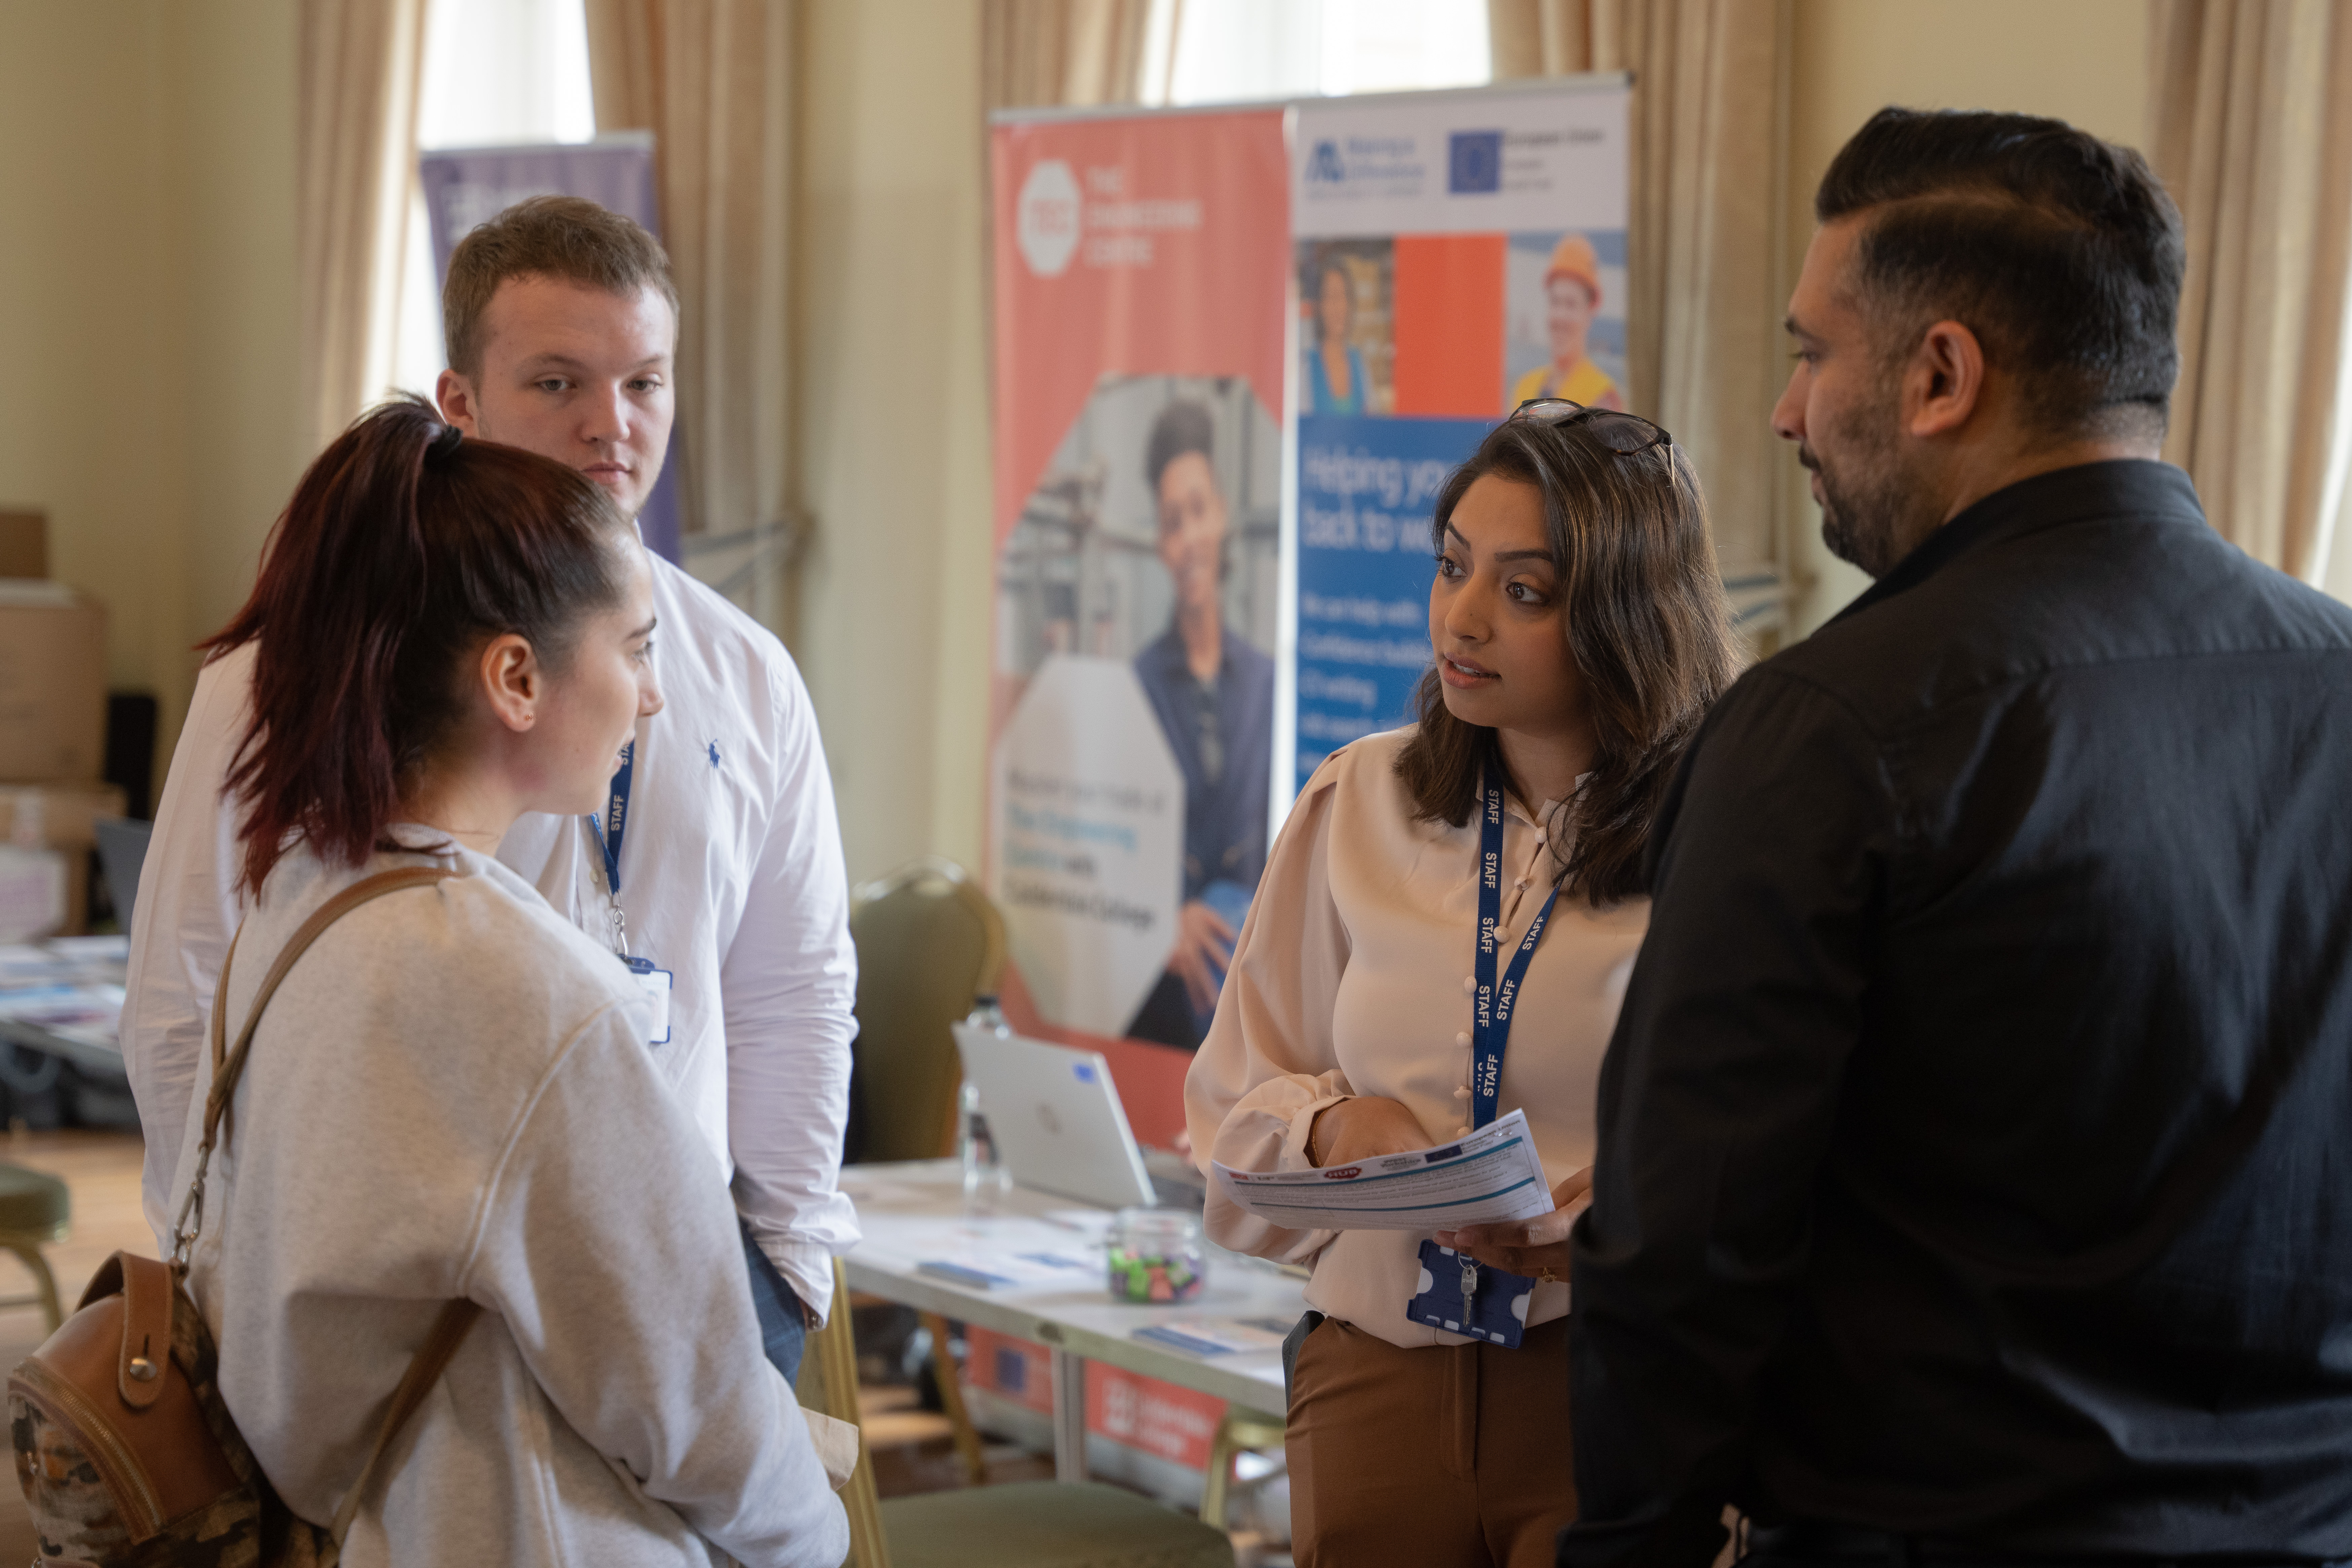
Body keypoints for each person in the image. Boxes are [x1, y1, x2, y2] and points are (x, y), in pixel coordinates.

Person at [1561, 109, 2352, 1567]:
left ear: (1938, 376)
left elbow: (1682, 1250)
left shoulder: (1823, 727)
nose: (1787, 412)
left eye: (1808, 354)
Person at [123, 196, 856, 1383]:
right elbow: (184, 987)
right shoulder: (294, 664)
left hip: (673, 1290)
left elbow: (796, 986)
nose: (612, 427)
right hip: (377, 1299)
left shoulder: (744, 676)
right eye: (560, 383)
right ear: (458, 403)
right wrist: (214, 1272)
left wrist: (783, 1265)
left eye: (645, 384)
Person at [170, 397, 847, 1565]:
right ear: (517, 679)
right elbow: (690, 1399)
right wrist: (815, 1534)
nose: (654, 696)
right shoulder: (520, 992)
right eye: (635, 649)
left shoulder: (298, 911)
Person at [1187, 401, 1737, 1568]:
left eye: (1525, 591)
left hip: (1605, 1391)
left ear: (1625, 615)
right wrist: (1338, 1129)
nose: (1465, 617)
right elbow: (1227, 1109)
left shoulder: (1728, 835)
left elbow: (1781, 1141)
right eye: (1451, 568)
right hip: (1372, 1378)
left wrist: (1632, 1213)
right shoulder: (1361, 800)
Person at [1127, 400, 1276, 1049]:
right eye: (1171, 523)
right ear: (1160, 545)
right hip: (1172, 986)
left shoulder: (1269, 680)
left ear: (1222, 516)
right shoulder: (1137, 684)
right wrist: (1165, 918)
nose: (1188, 537)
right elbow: (1116, 845)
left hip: (1257, 967)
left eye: (1198, 510)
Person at [1509, 235, 1625, 412]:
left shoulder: (1602, 397)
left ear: (1590, 311)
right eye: (1555, 302)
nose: (1560, 315)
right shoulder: (1524, 388)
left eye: (1571, 304)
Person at [1305, 260, 1373, 415]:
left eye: (1344, 296)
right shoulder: (1306, 366)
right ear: (1320, 306)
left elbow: (1373, 426)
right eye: (1332, 297)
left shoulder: (1360, 363)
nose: (1340, 306)